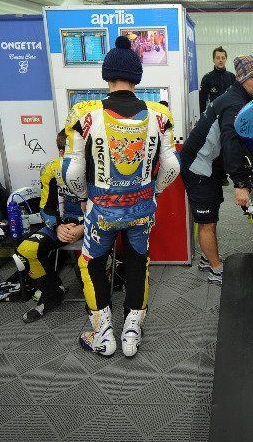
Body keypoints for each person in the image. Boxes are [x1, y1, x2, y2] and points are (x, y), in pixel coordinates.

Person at [64, 36, 180, 358]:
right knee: (137, 263)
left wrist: (86, 197)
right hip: (142, 208)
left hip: (100, 209)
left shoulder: (84, 113)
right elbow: (172, 164)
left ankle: (103, 335)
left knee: (92, 264)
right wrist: (153, 192)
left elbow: (71, 172)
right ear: (136, 76)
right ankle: (131, 332)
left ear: (107, 75)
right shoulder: (159, 114)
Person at [181, 55, 253, 285]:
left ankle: (208, 260)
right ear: (241, 78)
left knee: (212, 212)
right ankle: (216, 269)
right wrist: (240, 184)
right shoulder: (234, 103)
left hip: (210, 163)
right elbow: (231, 143)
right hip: (198, 166)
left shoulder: (239, 96)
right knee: (207, 220)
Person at [18, 129, 84, 323]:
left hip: (91, 224)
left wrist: (83, 228)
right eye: (73, 152)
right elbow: (46, 207)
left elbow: (105, 209)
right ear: (62, 152)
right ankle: (52, 293)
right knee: (25, 250)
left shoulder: (96, 168)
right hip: (61, 224)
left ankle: (100, 300)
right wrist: (57, 227)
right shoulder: (51, 170)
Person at [199, 46, 235, 114]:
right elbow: (202, 101)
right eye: (218, 58)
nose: (220, 60)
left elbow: (236, 97)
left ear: (226, 59)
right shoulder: (207, 78)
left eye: (223, 58)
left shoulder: (232, 77)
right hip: (213, 116)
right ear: (213, 60)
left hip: (229, 114)